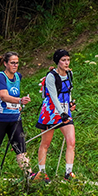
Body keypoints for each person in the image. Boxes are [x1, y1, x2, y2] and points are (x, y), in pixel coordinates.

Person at [0, 51, 32, 174]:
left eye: (17, 63)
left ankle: (29, 175)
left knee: (21, 148)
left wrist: (16, 106)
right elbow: (3, 96)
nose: (15, 65)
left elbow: (14, 94)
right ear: (5, 63)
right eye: (12, 63)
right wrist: (20, 101)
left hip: (14, 118)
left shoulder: (18, 76)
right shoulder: (1, 77)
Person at [33, 49, 76, 183]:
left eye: (68, 60)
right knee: (46, 143)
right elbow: (53, 96)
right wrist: (61, 112)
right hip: (51, 111)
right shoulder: (51, 76)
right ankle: (42, 172)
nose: (66, 62)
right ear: (58, 61)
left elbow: (69, 91)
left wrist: (70, 105)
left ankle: (68, 173)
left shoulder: (70, 73)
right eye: (63, 60)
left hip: (64, 109)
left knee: (71, 142)